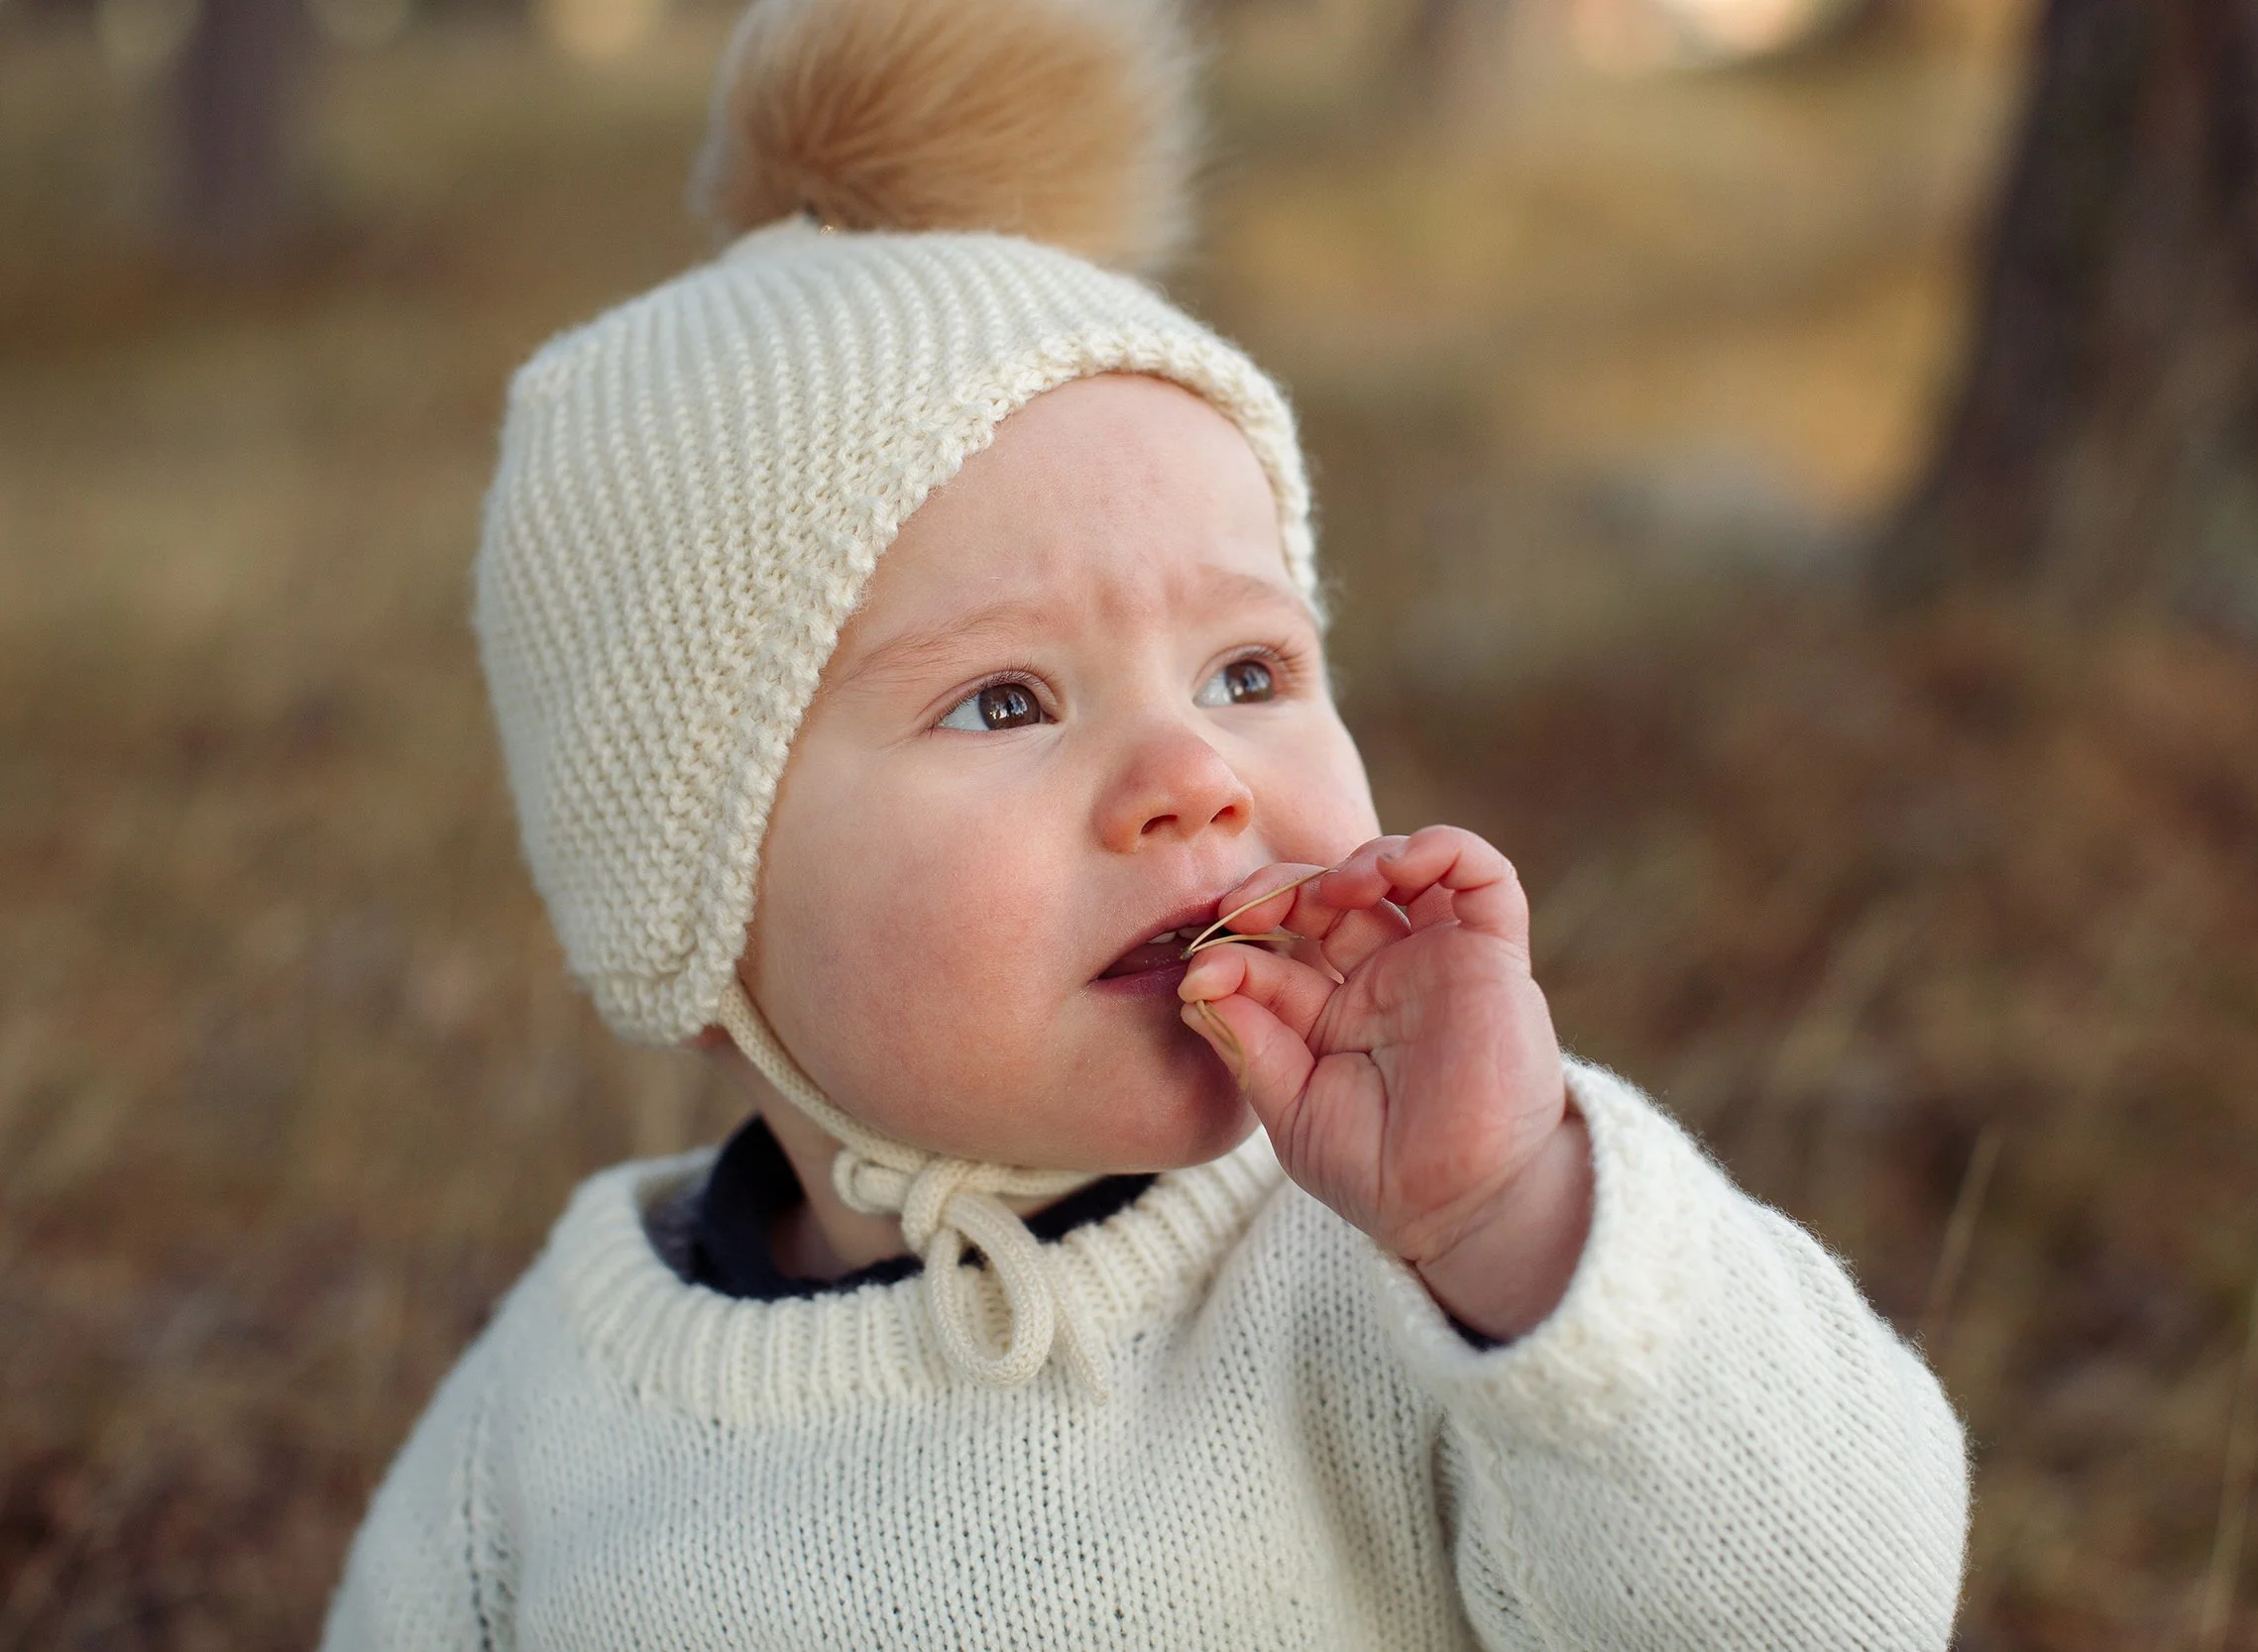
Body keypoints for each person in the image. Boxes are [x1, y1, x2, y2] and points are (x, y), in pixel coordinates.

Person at [320, 0, 1972, 1642]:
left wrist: (1520, 1223)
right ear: (692, 891)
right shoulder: (547, 1428)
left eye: (1249, 667)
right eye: (1008, 701)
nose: (1198, 775)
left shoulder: (1406, 1271)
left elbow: (1837, 1607)